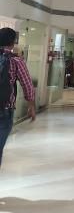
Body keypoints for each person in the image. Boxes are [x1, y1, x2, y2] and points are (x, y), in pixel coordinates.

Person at [0, 28, 36, 167]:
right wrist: (31, 106)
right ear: (13, 42)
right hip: (4, 109)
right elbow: (27, 84)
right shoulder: (15, 60)